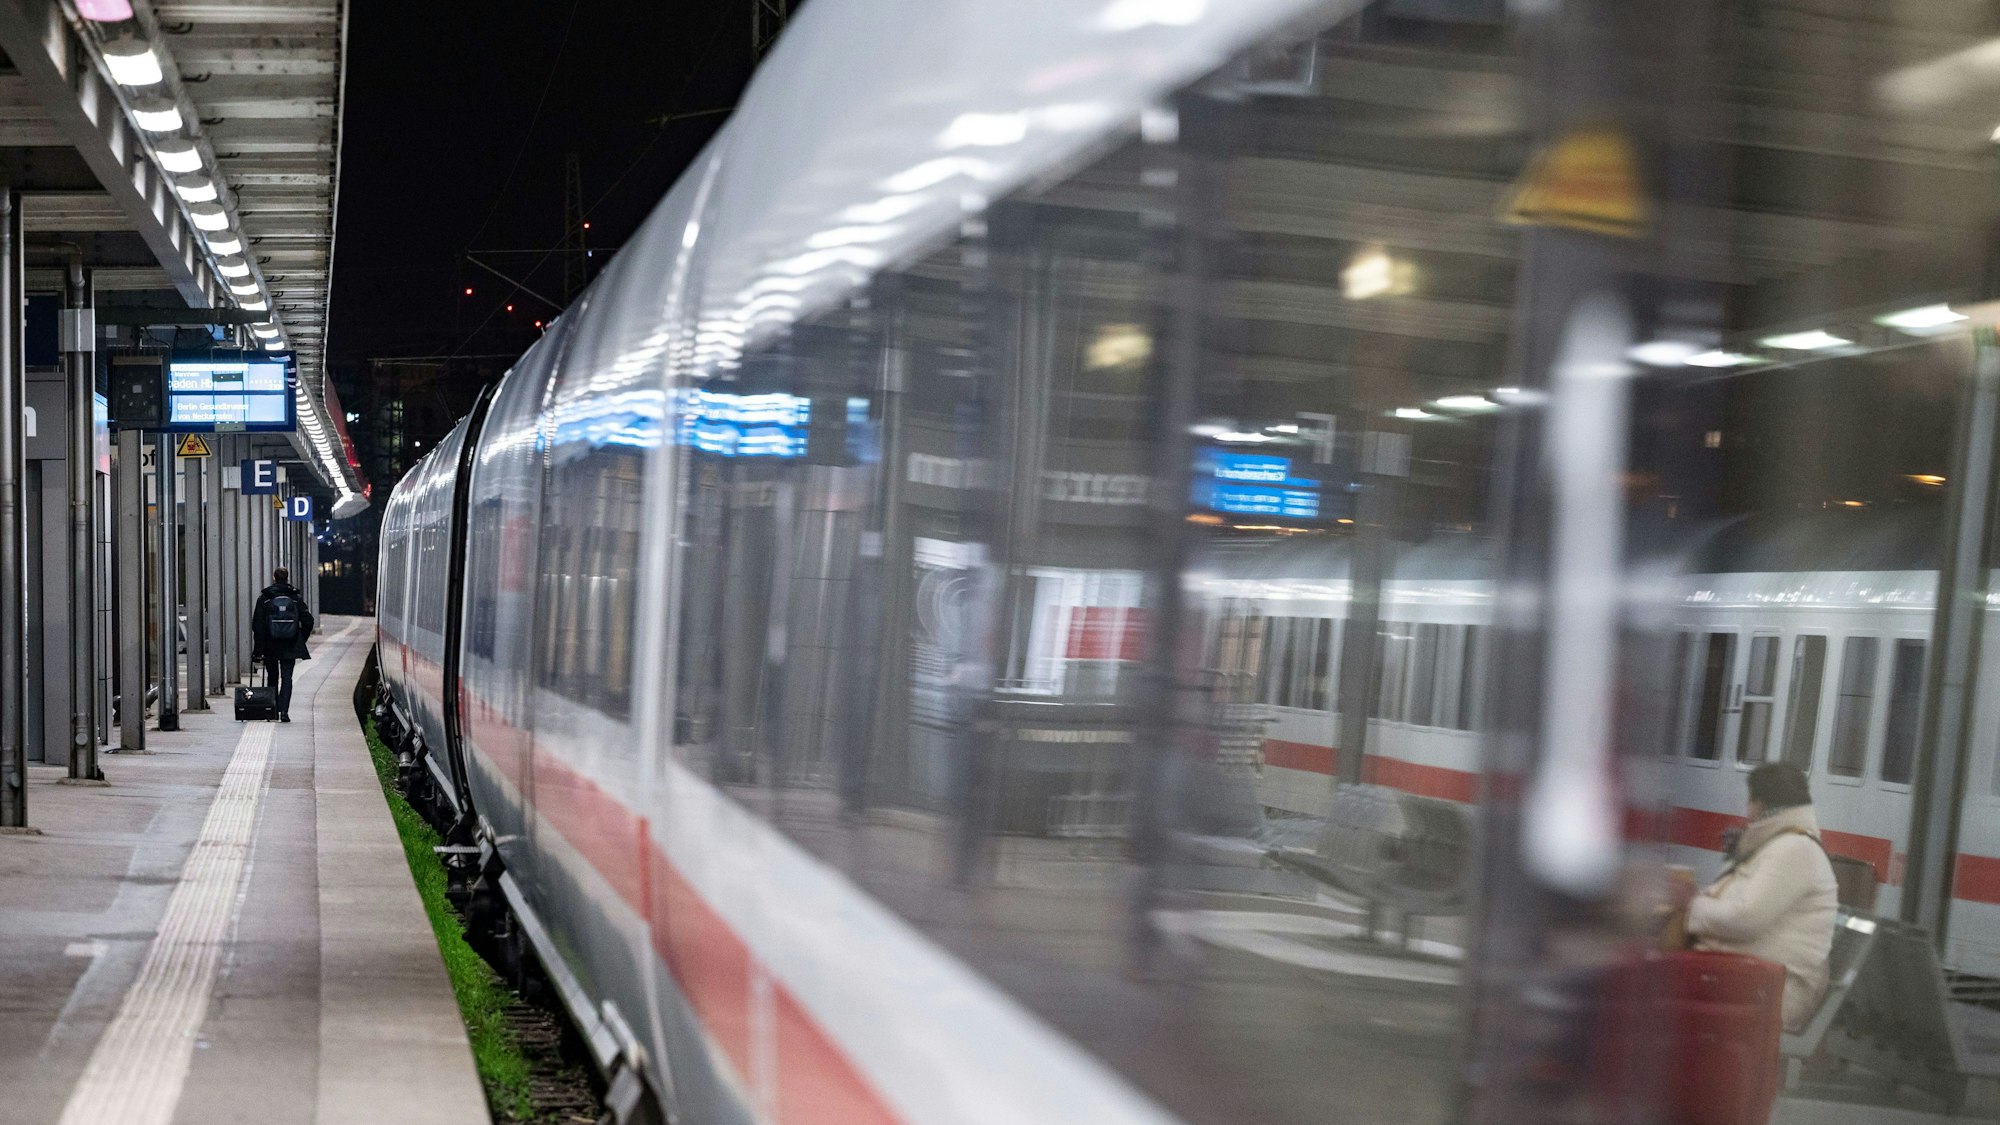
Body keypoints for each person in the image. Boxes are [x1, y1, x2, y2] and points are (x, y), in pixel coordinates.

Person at [1675, 762, 1840, 1030]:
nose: (1746, 811)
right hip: (1754, 981)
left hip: (1770, 992)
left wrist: (1692, 905)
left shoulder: (1793, 850)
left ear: (1759, 805)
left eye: (1749, 802)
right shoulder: (1779, 845)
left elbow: (1746, 918)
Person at [251, 566, 315, 723]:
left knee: (272, 677)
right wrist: (300, 638)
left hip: (270, 645)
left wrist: (258, 650)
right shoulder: (295, 598)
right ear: (287, 578)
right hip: (290, 644)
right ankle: (284, 712)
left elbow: (258, 626)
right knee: (287, 678)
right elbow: (308, 621)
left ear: (274, 577)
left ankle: (272, 711)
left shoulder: (265, 598)